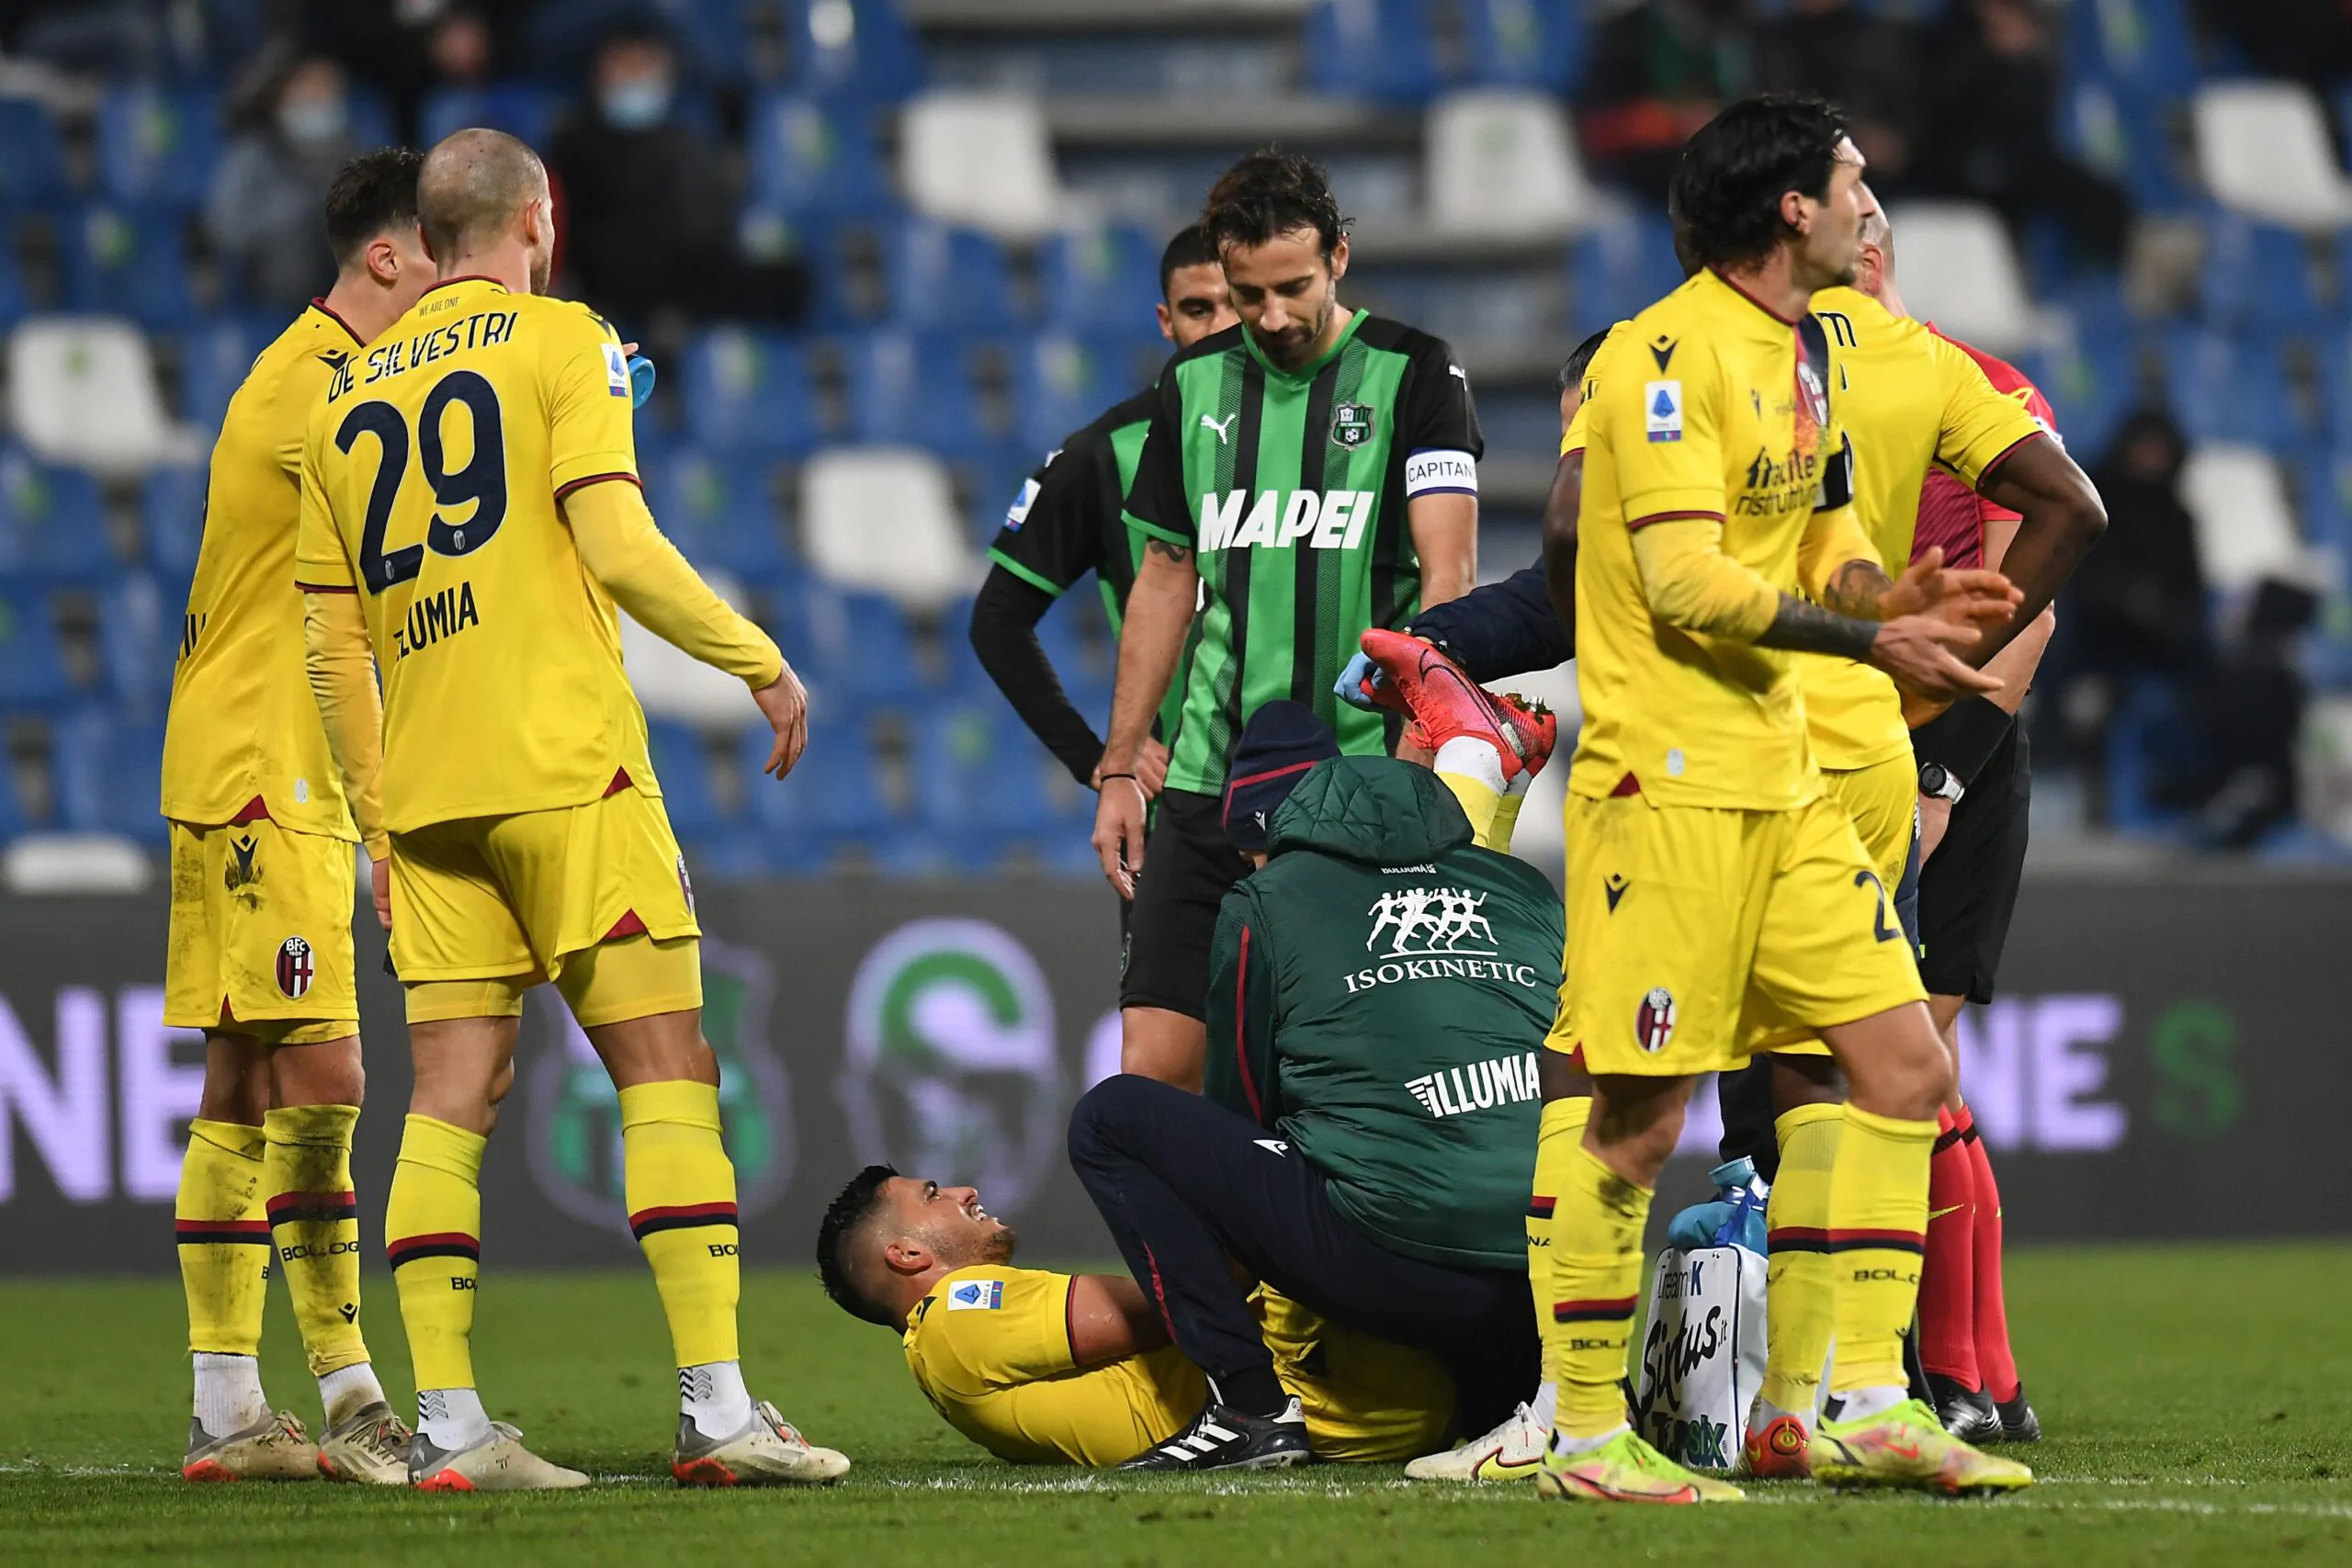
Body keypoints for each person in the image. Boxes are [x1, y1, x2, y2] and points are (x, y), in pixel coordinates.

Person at [296, 128, 841, 1491]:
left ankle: (452, 1426)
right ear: (541, 217)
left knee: (447, 1100)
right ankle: (717, 1412)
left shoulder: (345, 396)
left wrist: (377, 819)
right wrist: (758, 658)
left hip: (427, 797)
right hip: (567, 771)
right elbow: (617, 541)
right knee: (667, 1068)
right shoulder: (563, 338)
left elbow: (329, 643)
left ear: (429, 235)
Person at [1531, 94, 2033, 1505]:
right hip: (1671, 789)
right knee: (1637, 1118)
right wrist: (1875, 640)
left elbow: (1815, 542)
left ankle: (1868, 1396)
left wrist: (1893, 590)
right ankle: (1579, 1434)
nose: (1872, 199)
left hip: (1790, 783)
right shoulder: (1662, 362)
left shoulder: (1804, 353)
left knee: (1902, 1068)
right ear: (1789, 212)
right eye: (1851, 178)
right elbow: (1687, 583)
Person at [1068, 703, 1555, 1472]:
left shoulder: (1267, 899)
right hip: (1543, 1275)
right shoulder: (1524, 887)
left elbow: (1245, 1111)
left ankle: (1250, 1407)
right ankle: (1543, 1402)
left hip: (1392, 1259)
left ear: (1265, 836)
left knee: (1110, 1118)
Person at [1091, 151, 1482, 1090]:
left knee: (1341, 1069)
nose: (1270, 316)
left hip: (1360, 774)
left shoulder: (1416, 372)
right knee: (1153, 1075)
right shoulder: (1189, 388)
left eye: (1292, 288)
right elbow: (1163, 575)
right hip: (1204, 780)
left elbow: (1449, 571)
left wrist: (1420, 755)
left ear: (1339, 257)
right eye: (1246, 292)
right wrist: (1117, 765)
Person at [163, 150, 435, 1487]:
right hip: (271, 768)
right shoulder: (317, 391)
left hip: (252, 764)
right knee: (326, 1082)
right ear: (386, 258)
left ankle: (231, 1404)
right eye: (441, 260)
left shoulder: (321, 378)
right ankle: (351, 1388)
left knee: (243, 1078)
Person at [813, 1167, 1453, 1467]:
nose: (964, 1191)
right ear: (906, 1253)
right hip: (1346, 1379)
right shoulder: (958, 1312)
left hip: (1367, 1394)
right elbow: (1180, 1301)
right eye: (933, 1196)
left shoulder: (944, 1352)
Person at [969, 225, 1236, 793]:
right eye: (1198, 309)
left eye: (1237, 303)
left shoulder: (1337, 431)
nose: (1221, 328)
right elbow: (997, 620)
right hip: (1179, 808)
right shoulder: (1102, 453)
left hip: (1317, 791)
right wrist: (1098, 758)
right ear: (1167, 322)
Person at [548, 23, 805, 327]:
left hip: (697, 270)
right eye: (628, 66)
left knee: (790, 280)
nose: (637, 77)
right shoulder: (575, 143)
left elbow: (712, 217)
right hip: (621, 276)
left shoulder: (682, 140)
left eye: (646, 67)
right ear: (601, 72)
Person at [208, 57, 366, 311]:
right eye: (310, 92)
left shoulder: (355, 151)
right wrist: (296, 213)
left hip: (345, 291)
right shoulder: (254, 153)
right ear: (284, 97)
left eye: (328, 92)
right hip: (271, 289)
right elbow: (226, 228)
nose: (320, 101)